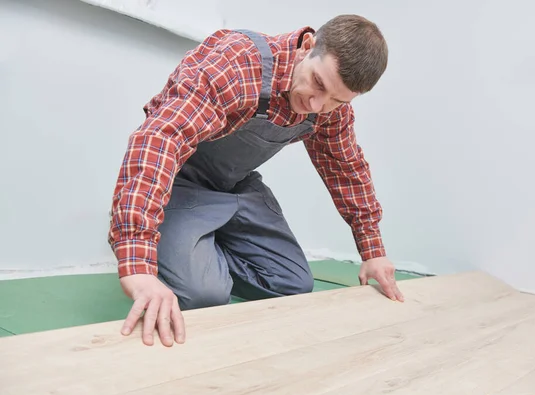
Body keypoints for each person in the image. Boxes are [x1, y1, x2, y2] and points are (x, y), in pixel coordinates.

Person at [108, 14, 404, 347]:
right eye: (318, 83)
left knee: (292, 283)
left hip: (236, 187)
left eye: (337, 100)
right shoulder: (236, 64)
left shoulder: (330, 110)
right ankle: (186, 247)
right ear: (307, 47)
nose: (318, 106)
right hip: (183, 183)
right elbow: (160, 141)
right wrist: (137, 265)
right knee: (204, 295)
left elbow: (346, 168)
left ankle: (200, 244)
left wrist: (372, 251)